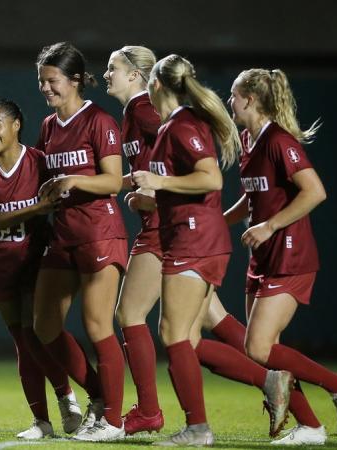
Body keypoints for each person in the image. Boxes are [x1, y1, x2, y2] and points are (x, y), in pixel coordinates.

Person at [106, 46, 293, 438]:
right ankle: (274, 382)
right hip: (181, 229)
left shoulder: (152, 114)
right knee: (205, 330)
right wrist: (128, 185)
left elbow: (198, 173)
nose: (106, 74)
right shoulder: (140, 116)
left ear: (144, 79)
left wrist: (156, 188)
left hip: (173, 231)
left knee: (135, 317)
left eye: (113, 68)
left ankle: (153, 412)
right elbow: (157, 170)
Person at [227, 68, 337, 445]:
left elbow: (315, 191)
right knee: (267, 354)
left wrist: (269, 226)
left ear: (250, 99)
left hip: (290, 254)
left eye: (234, 95)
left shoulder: (278, 140)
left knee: (258, 347)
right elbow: (254, 195)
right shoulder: (248, 139)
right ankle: (311, 427)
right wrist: (220, 222)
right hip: (263, 256)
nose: (230, 101)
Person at [131, 54, 242, 446]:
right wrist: (150, 198)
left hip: (194, 240)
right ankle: (274, 378)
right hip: (194, 237)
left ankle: (198, 429)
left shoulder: (180, 124)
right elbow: (185, 186)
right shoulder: (173, 126)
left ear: (156, 84)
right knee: (188, 338)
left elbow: (210, 178)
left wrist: (158, 183)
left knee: (173, 333)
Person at [0, 99, 83, 439]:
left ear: (16, 125)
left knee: (35, 332)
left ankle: (70, 399)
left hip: (37, 258)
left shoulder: (39, 161)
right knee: (22, 340)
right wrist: (37, 207)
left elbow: (61, 198)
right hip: (0, 260)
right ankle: (42, 422)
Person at [32, 42, 128, 442]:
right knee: (44, 324)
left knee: (96, 324)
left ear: (74, 80)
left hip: (100, 232)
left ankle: (114, 421)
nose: (46, 88)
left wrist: (73, 181)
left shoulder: (99, 120)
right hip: (63, 234)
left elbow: (114, 180)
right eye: (41, 81)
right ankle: (100, 396)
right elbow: (42, 180)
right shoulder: (49, 126)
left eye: (52, 81)